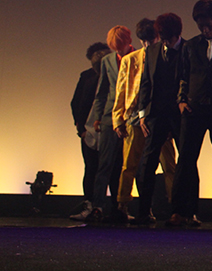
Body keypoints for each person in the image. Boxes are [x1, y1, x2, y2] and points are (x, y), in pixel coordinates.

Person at [166, 0, 212, 227]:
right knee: (186, 160)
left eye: (208, 25)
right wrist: (182, 100)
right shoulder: (190, 46)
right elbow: (183, 75)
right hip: (193, 109)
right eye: (200, 25)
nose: (204, 29)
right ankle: (182, 211)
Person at [113, 18, 177, 223]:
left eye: (151, 39)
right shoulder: (130, 60)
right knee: (129, 165)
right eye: (144, 41)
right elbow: (121, 90)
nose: (148, 44)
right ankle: (123, 205)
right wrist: (118, 119)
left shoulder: (163, 55)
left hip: (158, 117)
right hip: (134, 117)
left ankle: (176, 207)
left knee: (169, 166)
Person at [135, 13, 184, 225]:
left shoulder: (187, 49)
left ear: (177, 34)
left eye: (168, 39)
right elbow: (146, 82)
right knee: (147, 163)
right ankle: (143, 211)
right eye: (162, 38)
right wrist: (142, 114)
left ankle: (184, 211)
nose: (165, 42)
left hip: (180, 115)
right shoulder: (152, 50)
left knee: (185, 163)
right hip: (155, 114)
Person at [86, 26, 134, 222]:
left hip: (130, 117)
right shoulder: (107, 60)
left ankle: (123, 207)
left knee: (128, 165)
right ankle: (98, 206)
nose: (119, 51)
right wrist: (97, 117)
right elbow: (102, 91)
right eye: (115, 48)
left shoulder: (139, 57)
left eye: (121, 46)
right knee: (104, 164)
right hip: (109, 117)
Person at [69, 42, 111, 221]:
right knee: (91, 168)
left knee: (112, 170)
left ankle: (114, 208)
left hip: (111, 131)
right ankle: (90, 205)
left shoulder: (117, 76)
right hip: (90, 131)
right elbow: (77, 103)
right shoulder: (87, 77)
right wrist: (81, 130)